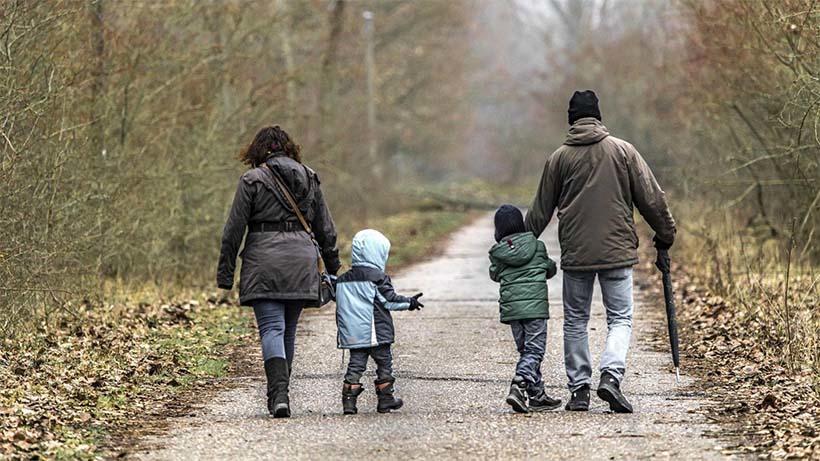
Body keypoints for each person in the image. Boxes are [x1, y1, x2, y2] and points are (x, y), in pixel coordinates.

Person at [525, 90, 676, 413]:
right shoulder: (624, 152)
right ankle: (610, 375)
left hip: (577, 253)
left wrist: (519, 246)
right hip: (617, 250)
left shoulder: (558, 158)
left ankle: (579, 390)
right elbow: (651, 198)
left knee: (576, 320)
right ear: (598, 116)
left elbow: (539, 213)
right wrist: (665, 234)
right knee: (620, 318)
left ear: (571, 120)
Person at [216, 125, 341, 418]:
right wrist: (335, 268)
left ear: (258, 150)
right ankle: (281, 393)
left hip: (264, 262)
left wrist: (225, 273)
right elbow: (326, 229)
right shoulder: (309, 176)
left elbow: (233, 230)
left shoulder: (251, 180)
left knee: (272, 328)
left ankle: (279, 394)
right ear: (289, 148)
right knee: (289, 330)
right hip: (301, 261)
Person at [334, 229, 424, 415]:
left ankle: (349, 402)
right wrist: (410, 302)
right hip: (377, 333)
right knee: (384, 364)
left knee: (356, 365)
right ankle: (385, 399)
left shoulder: (342, 280)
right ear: (379, 253)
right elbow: (389, 300)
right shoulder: (377, 278)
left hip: (353, 334)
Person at [489, 205, 562, 413]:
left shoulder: (498, 253)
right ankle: (519, 383)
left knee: (526, 351)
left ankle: (536, 394)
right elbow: (549, 268)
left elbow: (494, 274)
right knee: (535, 351)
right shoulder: (537, 246)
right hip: (535, 309)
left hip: (513, 311)